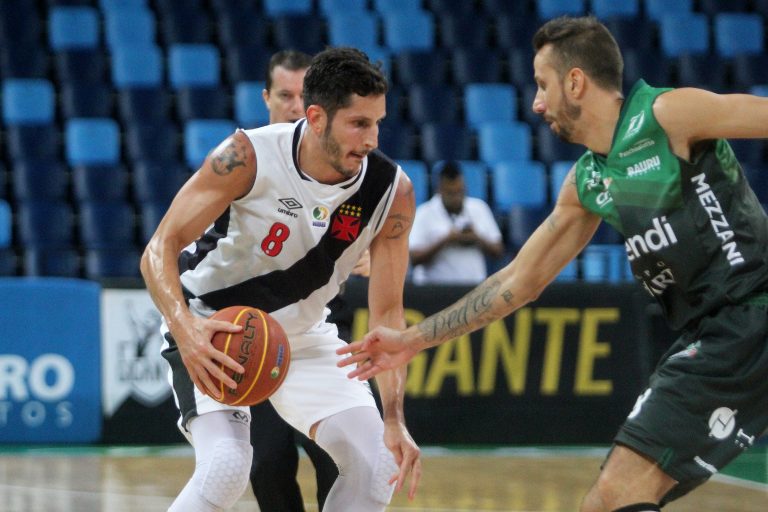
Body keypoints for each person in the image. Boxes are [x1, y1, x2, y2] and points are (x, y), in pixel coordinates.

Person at [338, 15, 768, 512]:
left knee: (614, 497)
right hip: (715, 335)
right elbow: (517, 281)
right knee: (608, 501)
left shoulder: (668, 115)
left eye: (543, 85)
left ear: (576, 82)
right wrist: (413, 340)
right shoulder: (587, 183)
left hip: (746, 314)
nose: (537, 103)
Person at [141, 47, 421, 512]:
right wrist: (185, 328)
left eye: (377, 123)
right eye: (358, 123)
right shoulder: (246, 156)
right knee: (227, 466)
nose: (372, 139)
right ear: (316, 117)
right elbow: (158, 249)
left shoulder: (392, 192)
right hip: (215, 325)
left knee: (378, 463)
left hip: (304, 334)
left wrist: (394, 416)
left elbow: (388, 313)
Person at [248, 48, 338, 512]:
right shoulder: (244, 163)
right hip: (261, 335)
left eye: (305, 96)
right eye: (285, 95)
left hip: (320, 331)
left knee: (339, 458)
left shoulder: (343, 168)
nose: (296, 106)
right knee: (266, 464)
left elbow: (361, 234)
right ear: (266, 98)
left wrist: (361, 253)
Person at [409, 161, 504, 285]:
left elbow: (498, 251)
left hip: (474, 288)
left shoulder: (479, 208)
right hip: (435, 290)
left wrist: (476, 238)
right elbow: (414, 258)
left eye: (460, 192)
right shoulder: (424, 213)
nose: (457, 198)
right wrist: (447, 239)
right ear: (439, 190)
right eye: (451, 193)